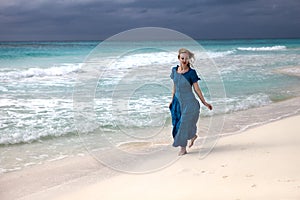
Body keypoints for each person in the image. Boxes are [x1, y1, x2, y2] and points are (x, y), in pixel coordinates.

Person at [169, 48, 212, 156]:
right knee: (178, 125)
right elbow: (174, 86)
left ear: (188, 60)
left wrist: (204, 102)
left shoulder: (191, 73)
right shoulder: (174, 70)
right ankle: (192, 136)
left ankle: (183, 149)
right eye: (182, 58)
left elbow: (197, 89)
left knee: (183, 124)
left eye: (186, 59)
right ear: (179, 58)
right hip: (177, 103)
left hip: (189, 103)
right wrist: (171, 100)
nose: (184, 60)